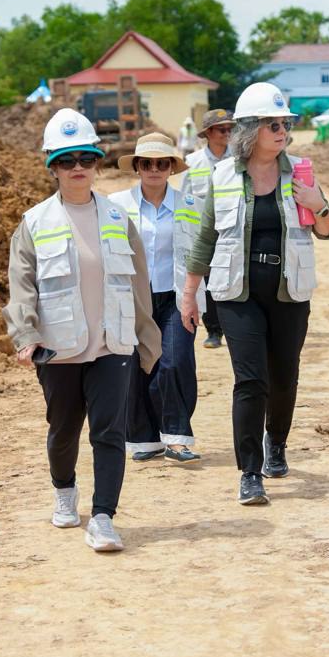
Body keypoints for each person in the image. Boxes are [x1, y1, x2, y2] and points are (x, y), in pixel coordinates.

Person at [2, 109, 161, 553]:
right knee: (63, 429)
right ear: (53, 166)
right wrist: (25, 335)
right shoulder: (34, 223)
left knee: (109, 432)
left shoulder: (117, 218)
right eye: (67, 160)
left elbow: (138, 285)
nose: (78, 167)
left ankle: (104, 517)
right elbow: (21, 286)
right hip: (58, 347)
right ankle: (64, 490)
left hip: (113, 345)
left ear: (96, 163)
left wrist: (148, 341)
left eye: (86, 159)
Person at [182, 82, 329, 506]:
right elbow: (206, 238)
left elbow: (328, 230)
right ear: (250, 129)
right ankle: (250, 472)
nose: (282, 131)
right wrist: (190, 293)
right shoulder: (223, 175)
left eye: (285, 123)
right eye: (273, 124)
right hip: (238, 293)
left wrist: (318, 204)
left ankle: (277, 443)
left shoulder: (301, 171)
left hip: (289, 291)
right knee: (250, 380)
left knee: (283, 377)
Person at [110, 133, 207, 463]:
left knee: (176, 362)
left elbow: (202, 253)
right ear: (137, 166)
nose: (154, 169)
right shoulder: (115, 206)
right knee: (138, 366)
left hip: (177, 298)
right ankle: (144, 439)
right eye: (147, 163)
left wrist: (196, 296)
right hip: (133, 300)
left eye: (162, 163)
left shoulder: (191, 206)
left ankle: (177, 438)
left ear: (171, 168)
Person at [184, 108, 235, 350]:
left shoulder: (240, 159)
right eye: (221, 129)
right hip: (204, 232)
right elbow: (185, 199)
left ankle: (235, 327)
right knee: (207, 279)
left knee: (233, 276)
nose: (227, 133)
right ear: (208, 133)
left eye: (230, 129)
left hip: (232, 228)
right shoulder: (192, 163)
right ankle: (214, 330)